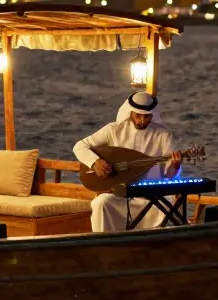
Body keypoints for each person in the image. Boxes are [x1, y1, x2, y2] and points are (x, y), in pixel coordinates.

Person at [72, 91, 183, 232]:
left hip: (150, 198)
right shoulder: (114, 130)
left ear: (152, 115)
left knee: (164, 209)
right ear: (130, 112)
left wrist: (175, 165)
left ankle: (148, 244)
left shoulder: (163, 135)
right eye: (138, 116)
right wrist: (95, 162)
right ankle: (104, 244)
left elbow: (170, 175)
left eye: (146, 116)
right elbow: (79, 146)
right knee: (101, 203)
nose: (141, 121)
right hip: (120, 194)